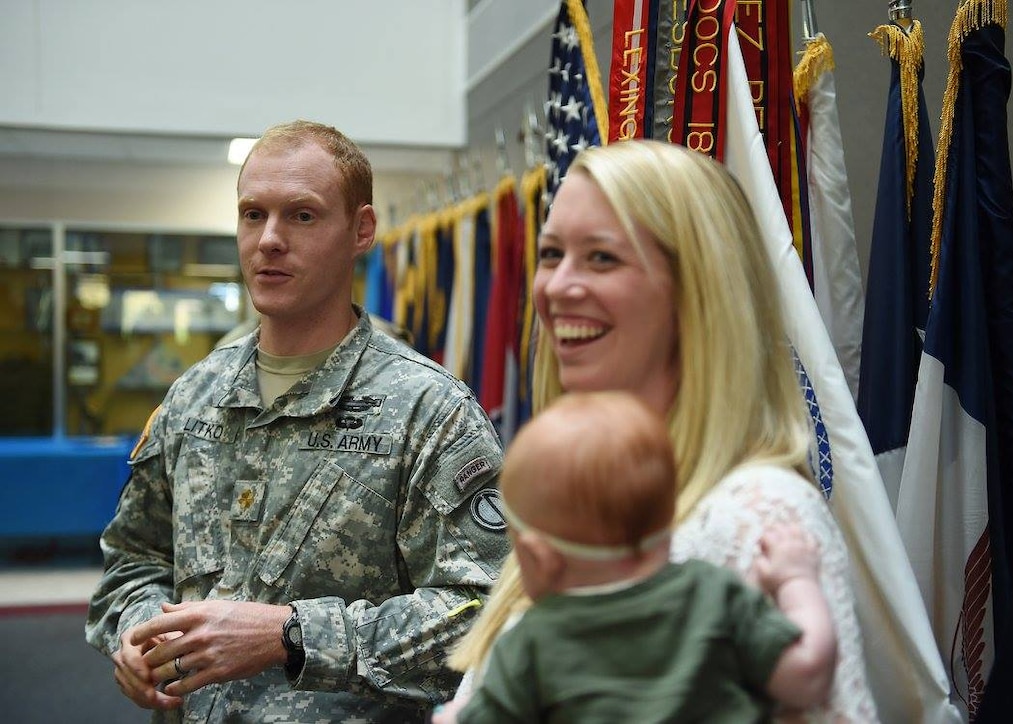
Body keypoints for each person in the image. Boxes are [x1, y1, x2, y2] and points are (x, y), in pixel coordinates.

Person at [85, 119, 510, 722]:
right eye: (253, 214)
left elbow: (485, 612)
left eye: (302, 216)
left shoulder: (428, 411)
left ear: (361, 230)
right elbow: (133, 558)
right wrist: (136, 632)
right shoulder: (195, 396)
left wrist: (290, 634)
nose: (269, 240)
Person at [449, 139, 880, 721]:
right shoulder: (578, 489)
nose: (557, 287)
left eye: (602, 258)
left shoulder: (756, 515)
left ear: (698, 290)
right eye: (551, 254)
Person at [433, 390, 837, 723]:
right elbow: (807, 673)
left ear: (539, 559)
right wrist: (796, 579)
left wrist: (452, 716)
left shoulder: (531, 643)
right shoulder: (715, 593)